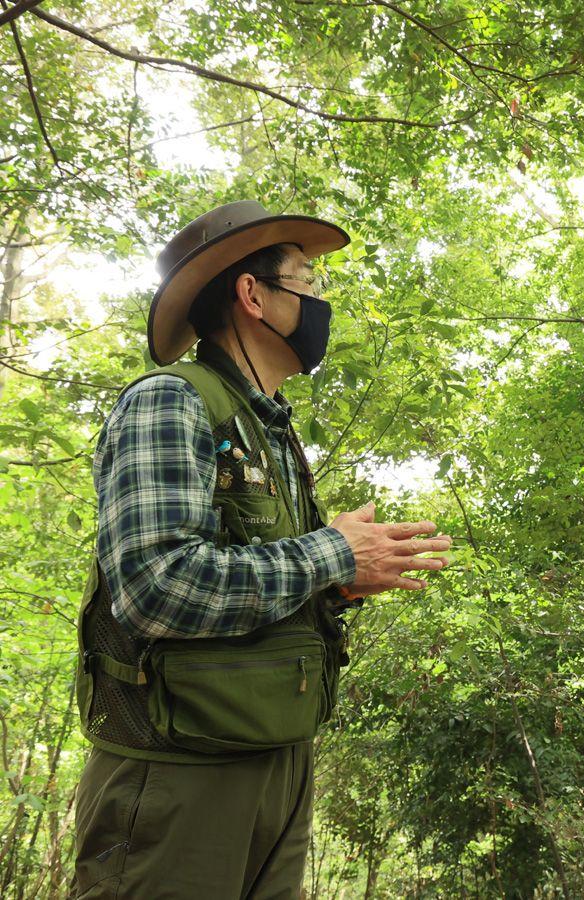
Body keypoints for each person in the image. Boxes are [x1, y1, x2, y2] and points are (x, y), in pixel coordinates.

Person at [70, 200, 453, 898]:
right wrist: (333, 554)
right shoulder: (170, 401)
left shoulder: (269, 431)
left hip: (277, 765)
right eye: (309, 283)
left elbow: (249, 581)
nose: (322, 303)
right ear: (253, 295)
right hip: (176, 780)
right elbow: (157, 585)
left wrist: (339, 582)